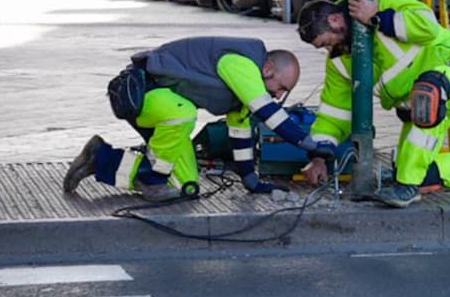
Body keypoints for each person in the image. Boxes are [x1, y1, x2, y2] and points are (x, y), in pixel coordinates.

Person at [296, 0, 450, 208]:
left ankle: (407, 187)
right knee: (418, 171)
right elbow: (334, 113)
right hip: (421, 107)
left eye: (327, 42)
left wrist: (377, 17)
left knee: (425, 102)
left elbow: (428, 26)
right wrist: (319, 156)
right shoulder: (339, 61)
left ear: (335, 20)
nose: (329, 49)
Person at [63, 36, 332, 201]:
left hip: (167, 107)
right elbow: (269, 113)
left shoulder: (245, 93)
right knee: (184, 115)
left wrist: (251, 180)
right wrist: (310, 144)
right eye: (281, 87)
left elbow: (240, 134)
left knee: (185, 186)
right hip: (143, 92)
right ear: (268, 68)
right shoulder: (241, 63)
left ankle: (99, 158)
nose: (279, 95)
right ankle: (152, 177)